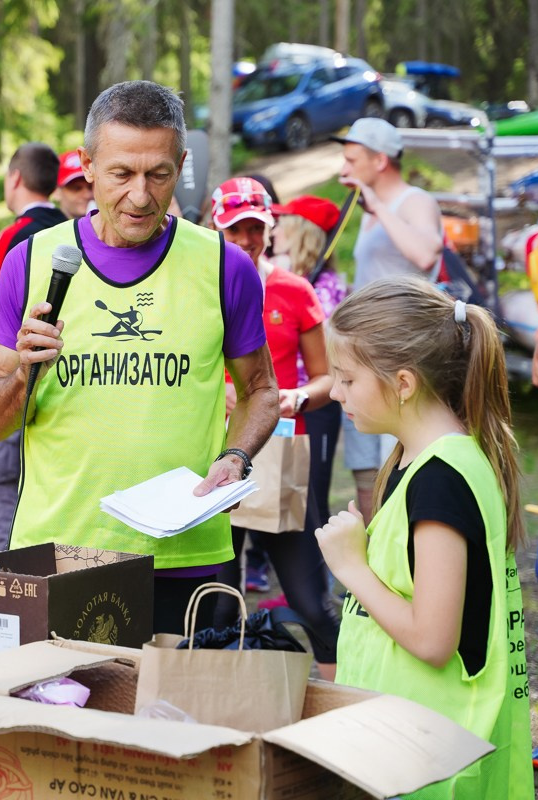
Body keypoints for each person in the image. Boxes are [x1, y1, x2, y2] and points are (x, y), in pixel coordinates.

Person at [0, 80, 279, 634]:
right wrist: (23, 372)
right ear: (88, 166)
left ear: (181, 166)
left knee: (178, 721)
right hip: (62, 552)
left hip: (188, 556)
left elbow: (261, 389)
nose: (140, 196)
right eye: (121, 174)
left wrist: (237, 456)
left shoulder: (223, 266)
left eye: (158, 174)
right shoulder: (32, 261)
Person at [317, 278, 530, 798]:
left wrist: (352, 569)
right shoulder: (424, 462)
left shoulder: (440, 478)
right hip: (407, 741)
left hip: (430, 758)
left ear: (404, 384)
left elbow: (433, 641)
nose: (336, 392)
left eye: (346, 379)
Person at [206, 179, 339, 678]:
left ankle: (343, 706)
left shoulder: (294, 290)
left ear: (270, 228)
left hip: (277, 459)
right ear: (215, 229)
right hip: (209, 458)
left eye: (254, 228)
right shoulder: (197, 287)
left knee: (311, 601)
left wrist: (296, 396)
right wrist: (216, 393)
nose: (244, 239)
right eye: (233, 229)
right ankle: (217, 706)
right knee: (217, 605)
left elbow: (328, 377)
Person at [334, 118, 443, 524]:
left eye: (352, 158)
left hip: (400, 354)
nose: (343, 167)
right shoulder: (366, 209)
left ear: (380, 160)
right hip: (364, 352)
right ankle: (371, 554)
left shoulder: (413, 201)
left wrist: (377, 206)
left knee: (396, 461)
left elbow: (426, 255)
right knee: (366, 467)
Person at [0, 142, 65, 550]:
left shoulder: (16, 235)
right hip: (62, 380)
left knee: (4, 482)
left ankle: (14, 564)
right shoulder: (69, 229)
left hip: (14, 375)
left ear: (15, 179)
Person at [271, 194, 346, 529]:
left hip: (313, 404)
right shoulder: (282, 278)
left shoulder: (325, 288)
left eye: (283, 224)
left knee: (310, 493)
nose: (274, 230)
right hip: (282, 404)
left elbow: (327, 356)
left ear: (301, 232)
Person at [54, 149, 94, 221]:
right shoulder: (41, 229)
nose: (87, 195)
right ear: (56, 192)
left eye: (90, 187)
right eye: (76, 188)